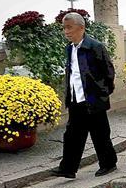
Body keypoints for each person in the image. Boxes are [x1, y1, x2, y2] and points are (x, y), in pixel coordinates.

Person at [50, 12, 118, 179]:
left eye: (69, 28)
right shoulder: (69, 48)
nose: (66, 32)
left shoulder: (95, 46)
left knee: (100, 133)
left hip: (94, 98)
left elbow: (108, 72)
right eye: (64, 28)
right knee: (72, 135)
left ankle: (109, 164)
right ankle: (68, 168)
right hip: (76, 99)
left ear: (81, 28)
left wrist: (102, 93)